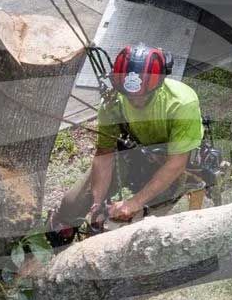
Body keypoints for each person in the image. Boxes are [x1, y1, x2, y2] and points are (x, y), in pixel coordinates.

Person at [50, 44, 207, 238]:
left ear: (157, 86)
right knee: (71, 204)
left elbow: (176, 163)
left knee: (133, 229)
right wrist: (97, 203)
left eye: (143, 97)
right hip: (135, 151)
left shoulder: (181, 103)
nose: (135, 102)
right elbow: (104, 154)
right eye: (129, 96)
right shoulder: (112, 103)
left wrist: (135, 203)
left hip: (171, 162)